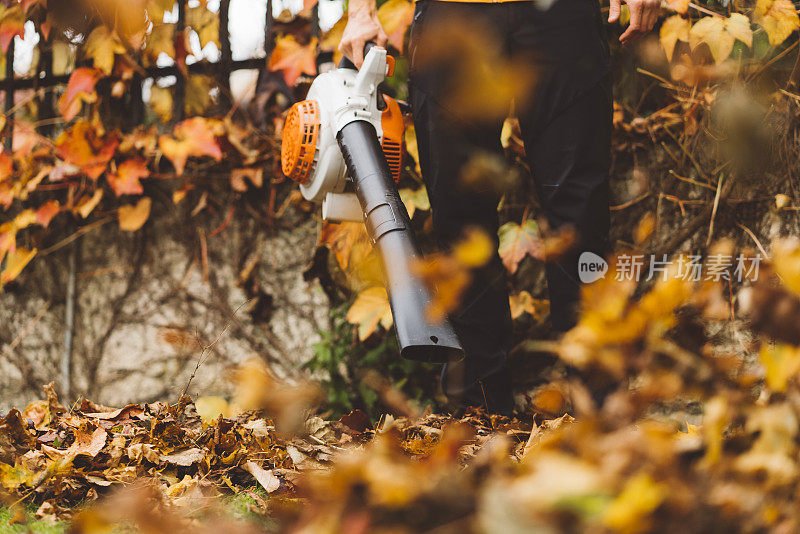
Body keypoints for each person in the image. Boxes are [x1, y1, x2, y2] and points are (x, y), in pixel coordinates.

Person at [339, 0, 660, 415]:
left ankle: (598, 412)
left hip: (561, 16)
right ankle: (479, 417)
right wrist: (360, 9)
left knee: (580, 214)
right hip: (451, 17)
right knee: (460, 221)